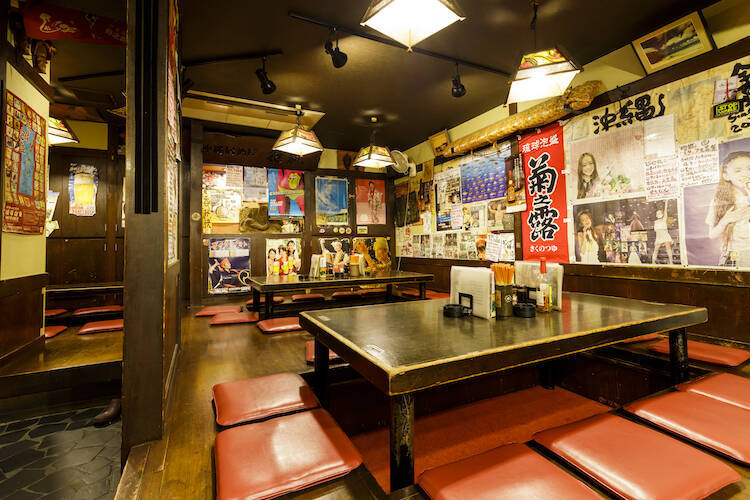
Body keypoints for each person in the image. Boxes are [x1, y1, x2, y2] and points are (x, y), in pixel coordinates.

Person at [706, 151, 750, 267]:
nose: (746, 174)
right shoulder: (719, 200)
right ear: (726, 175)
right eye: (738, 170)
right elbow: (712, 234)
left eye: (749, 169)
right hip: (736, 255)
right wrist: (726, 220)